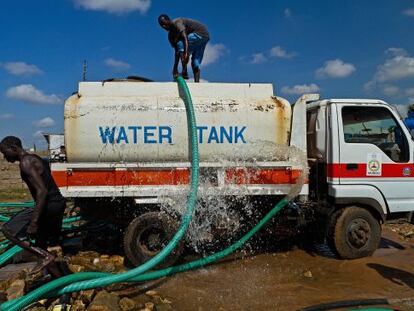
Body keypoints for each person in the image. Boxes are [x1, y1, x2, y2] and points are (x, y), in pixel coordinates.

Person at [0, 136, 66, 274]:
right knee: (40, 246)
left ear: (13, 148)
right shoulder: (35, 158)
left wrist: (34, 222)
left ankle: (45, 257)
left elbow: (42, 191)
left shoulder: (25, 162)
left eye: (5, 152)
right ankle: (62, 287)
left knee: (8, 230)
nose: (5, 157)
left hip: (49, 204)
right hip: (57, 203)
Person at [158, 14, 210, 82]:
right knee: (195, 62)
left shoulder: (177, 23)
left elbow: (185, 38)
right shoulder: (170, 36)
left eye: (164, 23)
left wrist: (186, 53)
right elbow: (177, 52)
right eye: (162, 25)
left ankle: (184, 71)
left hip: (201, 32)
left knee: (180, 43)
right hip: (202, 39)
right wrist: (175, 68)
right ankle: (197, 84)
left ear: (168, 20)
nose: (164, 26)